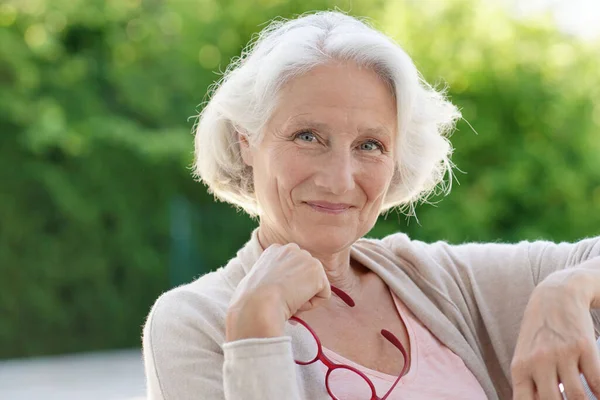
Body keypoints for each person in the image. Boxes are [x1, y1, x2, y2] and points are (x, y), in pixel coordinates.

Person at [142, 11, 600, 400]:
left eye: (370, 145)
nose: (340, 178)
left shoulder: (438, 282)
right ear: (247, 140)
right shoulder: (193, 322)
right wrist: (257, 328)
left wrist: (569, 289)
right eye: (308, 136)